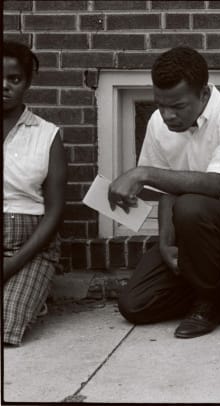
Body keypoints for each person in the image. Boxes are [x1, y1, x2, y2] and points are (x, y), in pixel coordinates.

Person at [111, 47, 220, 338]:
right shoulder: (158, 121)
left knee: (192, 206)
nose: (167, 115)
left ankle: (210, 302)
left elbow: (216, 185)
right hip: (188, 231)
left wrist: (142, 173)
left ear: (204, 94)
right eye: (160, 104)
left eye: (177, 106)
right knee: (134, 305)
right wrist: (166, 243)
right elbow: (166, 190)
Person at [3, 41, 67, 346]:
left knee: (6, 324)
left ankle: (25, 293)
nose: (4, 86)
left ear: (27, 83)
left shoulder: (47, 134)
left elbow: (54, 212)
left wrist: (12, 264)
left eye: (14, 79)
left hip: (31, 247)